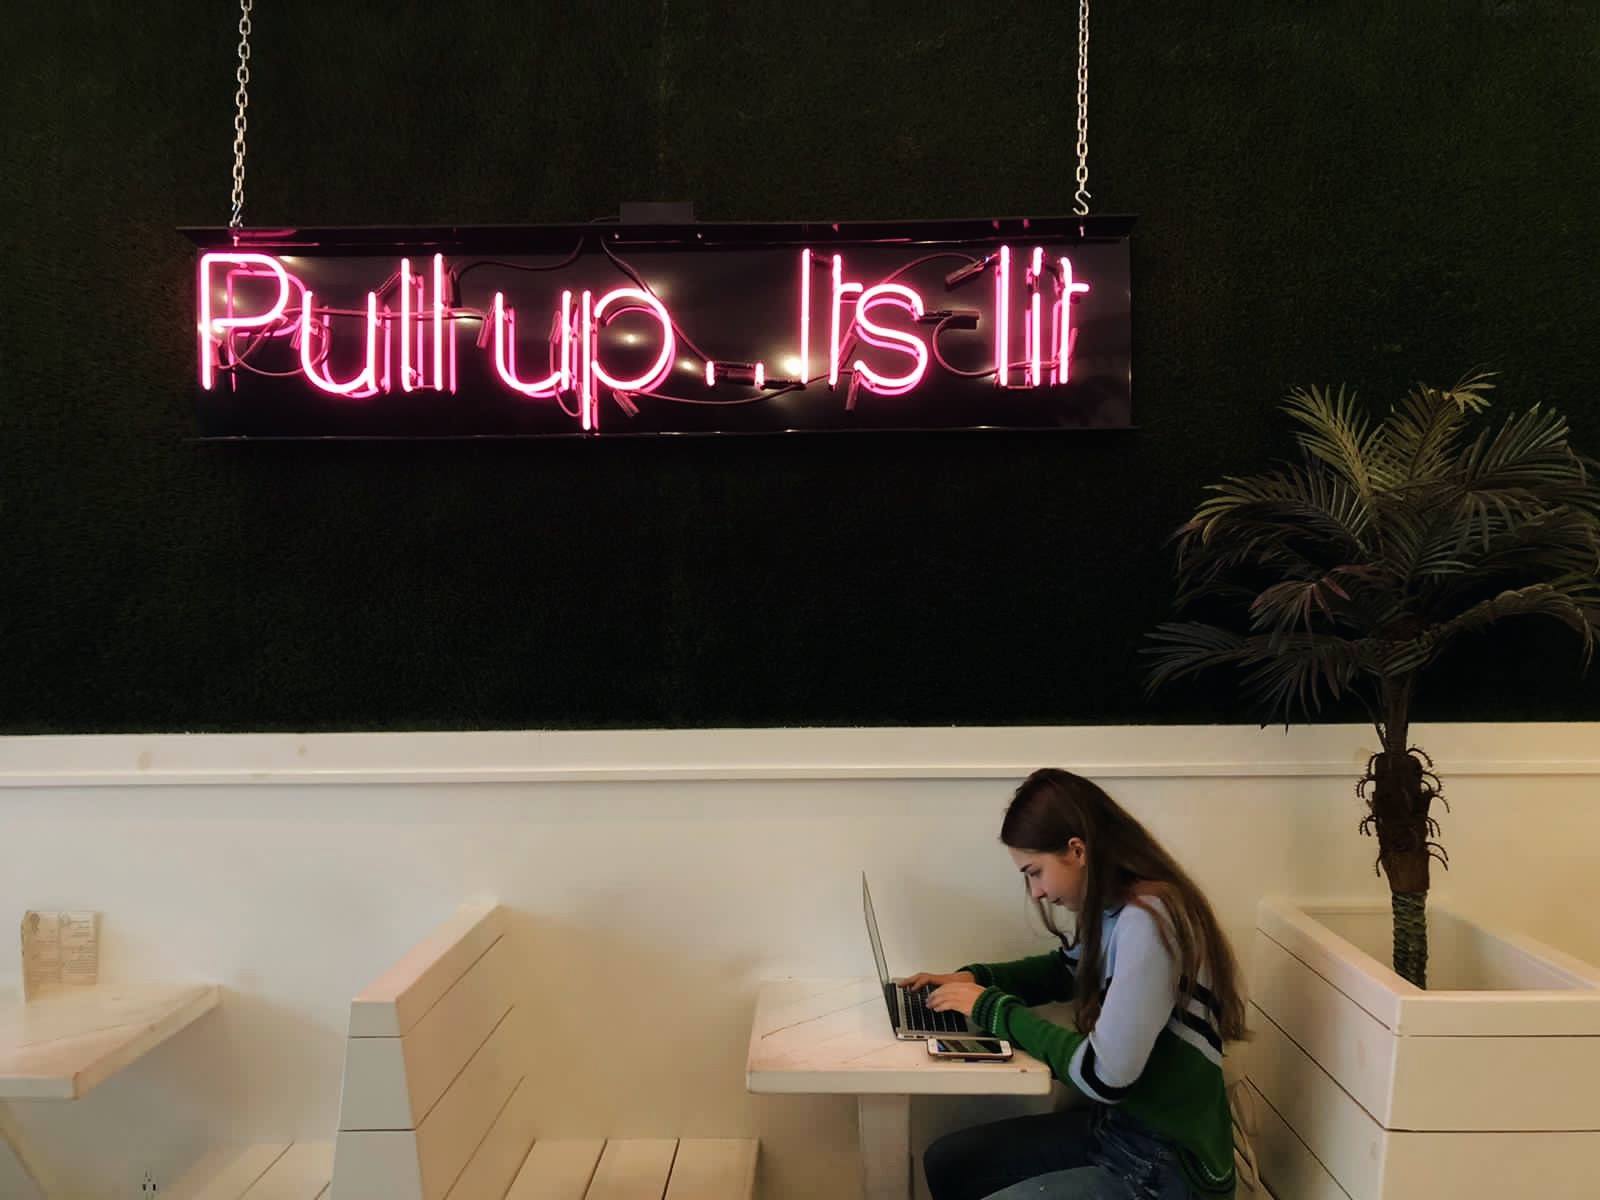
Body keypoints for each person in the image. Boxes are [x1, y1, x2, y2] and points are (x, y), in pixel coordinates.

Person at [905, 768, 1249, 1200]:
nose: (1036, 893)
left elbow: (1103, 1075)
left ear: (1077, 850)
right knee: (950, 1162)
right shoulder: (1118, 908)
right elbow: (1066, 970)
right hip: (1119, 1131)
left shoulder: (1149, 920)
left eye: (1035, 872)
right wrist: (975, 979)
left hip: (1169, 1163)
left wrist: (991, 1008)